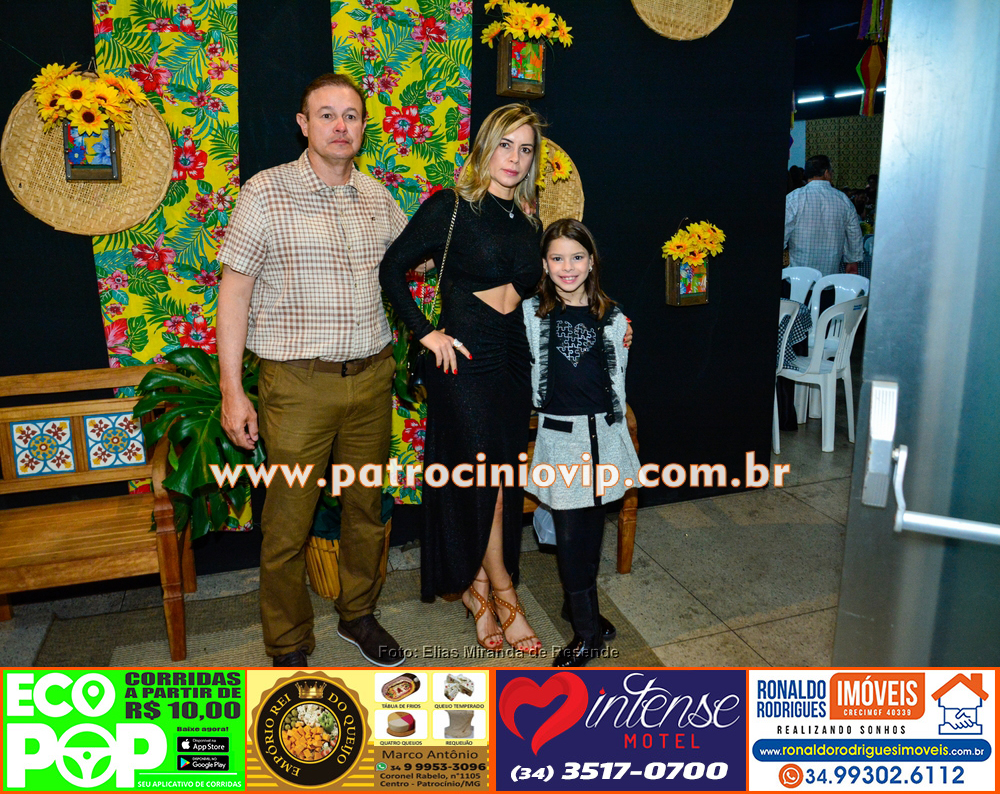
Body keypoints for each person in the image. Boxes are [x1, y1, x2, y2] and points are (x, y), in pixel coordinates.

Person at [215, 73, 408, 668]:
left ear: (363, 126)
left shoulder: (377, 197)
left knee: (365, 511)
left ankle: (358, 613)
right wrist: (232, 390)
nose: (340, 126)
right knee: (287, 523)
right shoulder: (265, 193)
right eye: (326, 115)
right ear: (304, 125)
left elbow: (416, 265)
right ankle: (288, 641)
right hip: (296, 386)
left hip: (371, 379)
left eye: (351, 115)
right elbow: (234, 292)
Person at [379, 104, 545, 653]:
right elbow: (392, 268)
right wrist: (427, 334)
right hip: (464, 360)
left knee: (502, 479)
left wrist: (610, 321)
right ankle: (503, 591)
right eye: (505, 145)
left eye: (525, 149)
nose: (514, 158)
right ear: (485, 148)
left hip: (512, 359)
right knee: (481, 481)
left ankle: (479, 588)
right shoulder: (450, 207)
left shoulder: (529, 221)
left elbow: (549, 288)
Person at [523, 219, 640, 667]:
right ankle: (586, 633)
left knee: (590, 536)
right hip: (561, 442)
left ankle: (579, 608)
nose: (567, 267)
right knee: (571, 538)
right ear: (544, 264)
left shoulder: (614, 318)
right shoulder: (530, 314)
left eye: (576, 257)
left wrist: (625, 330)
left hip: (605, 439)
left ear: (591, 261)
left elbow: (616, 381)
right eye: (557, 258)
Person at [784, 154, 864, 275]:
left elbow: (781, 232)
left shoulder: (794, 198)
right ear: (826, 173)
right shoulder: (843, 199)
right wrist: (852, 261)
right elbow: (854, 234)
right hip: (830, 276)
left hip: (798, 277)